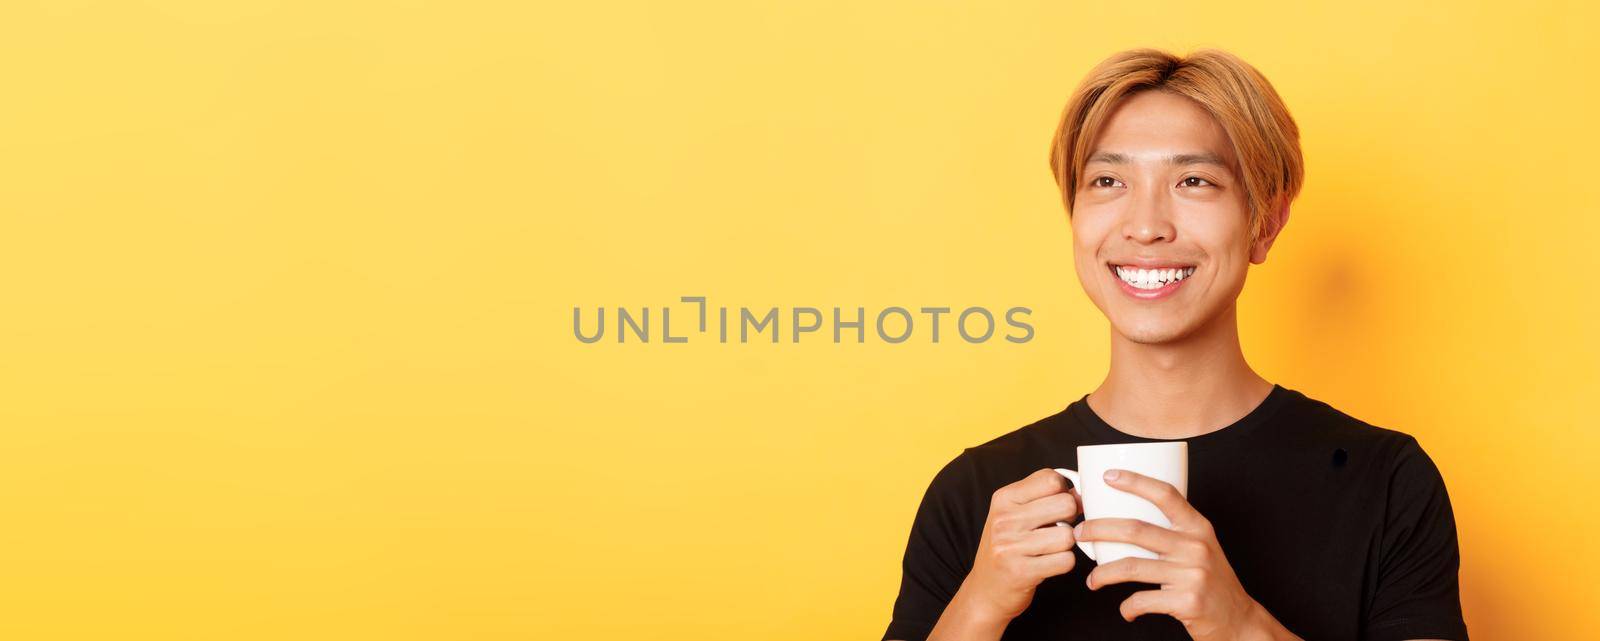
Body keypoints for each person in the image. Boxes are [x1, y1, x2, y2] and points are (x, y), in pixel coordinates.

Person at [881, 48, 1468, 641]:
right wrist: (978, 607)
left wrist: (1239, 625)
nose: (1145, 225)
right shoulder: (977, 494)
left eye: (1194, 181)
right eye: (1108, 181)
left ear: (1265, 224)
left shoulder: (1386, 482)